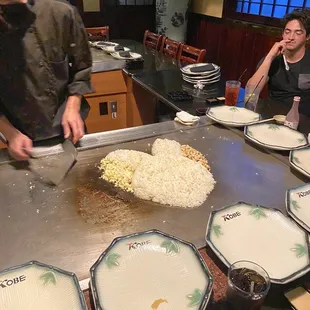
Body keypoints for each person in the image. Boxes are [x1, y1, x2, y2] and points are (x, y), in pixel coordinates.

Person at [0, 0, 93, 160]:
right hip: (17, 138)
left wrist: (72, 107)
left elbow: (82, 69)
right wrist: (9, 131)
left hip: (67, 133)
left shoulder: (61, 12)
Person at [247, 8, 310, 116]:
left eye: (298, 33)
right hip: (273, 117)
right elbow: (251, 91)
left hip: (302, 120)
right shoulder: (273, 59)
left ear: (307, 37)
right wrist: (270, 56)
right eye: (287, 32)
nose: (291, 37)